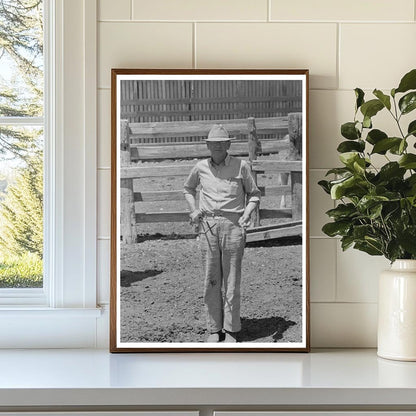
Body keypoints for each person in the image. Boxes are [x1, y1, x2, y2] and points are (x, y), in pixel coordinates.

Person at [183, 124, 261, 343]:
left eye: (221, 143)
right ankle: (213, 329)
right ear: (207, 145)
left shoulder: (241, 166)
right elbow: (188, 189)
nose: (217, 147)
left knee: (232, 280)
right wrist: (194, 209)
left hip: (233, 227)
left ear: (228, 145)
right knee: (211, 280)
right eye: (212, 143)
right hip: (207, 227)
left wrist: (247, 214)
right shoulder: (200, 167)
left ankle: (231, 330)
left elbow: (254, 194)